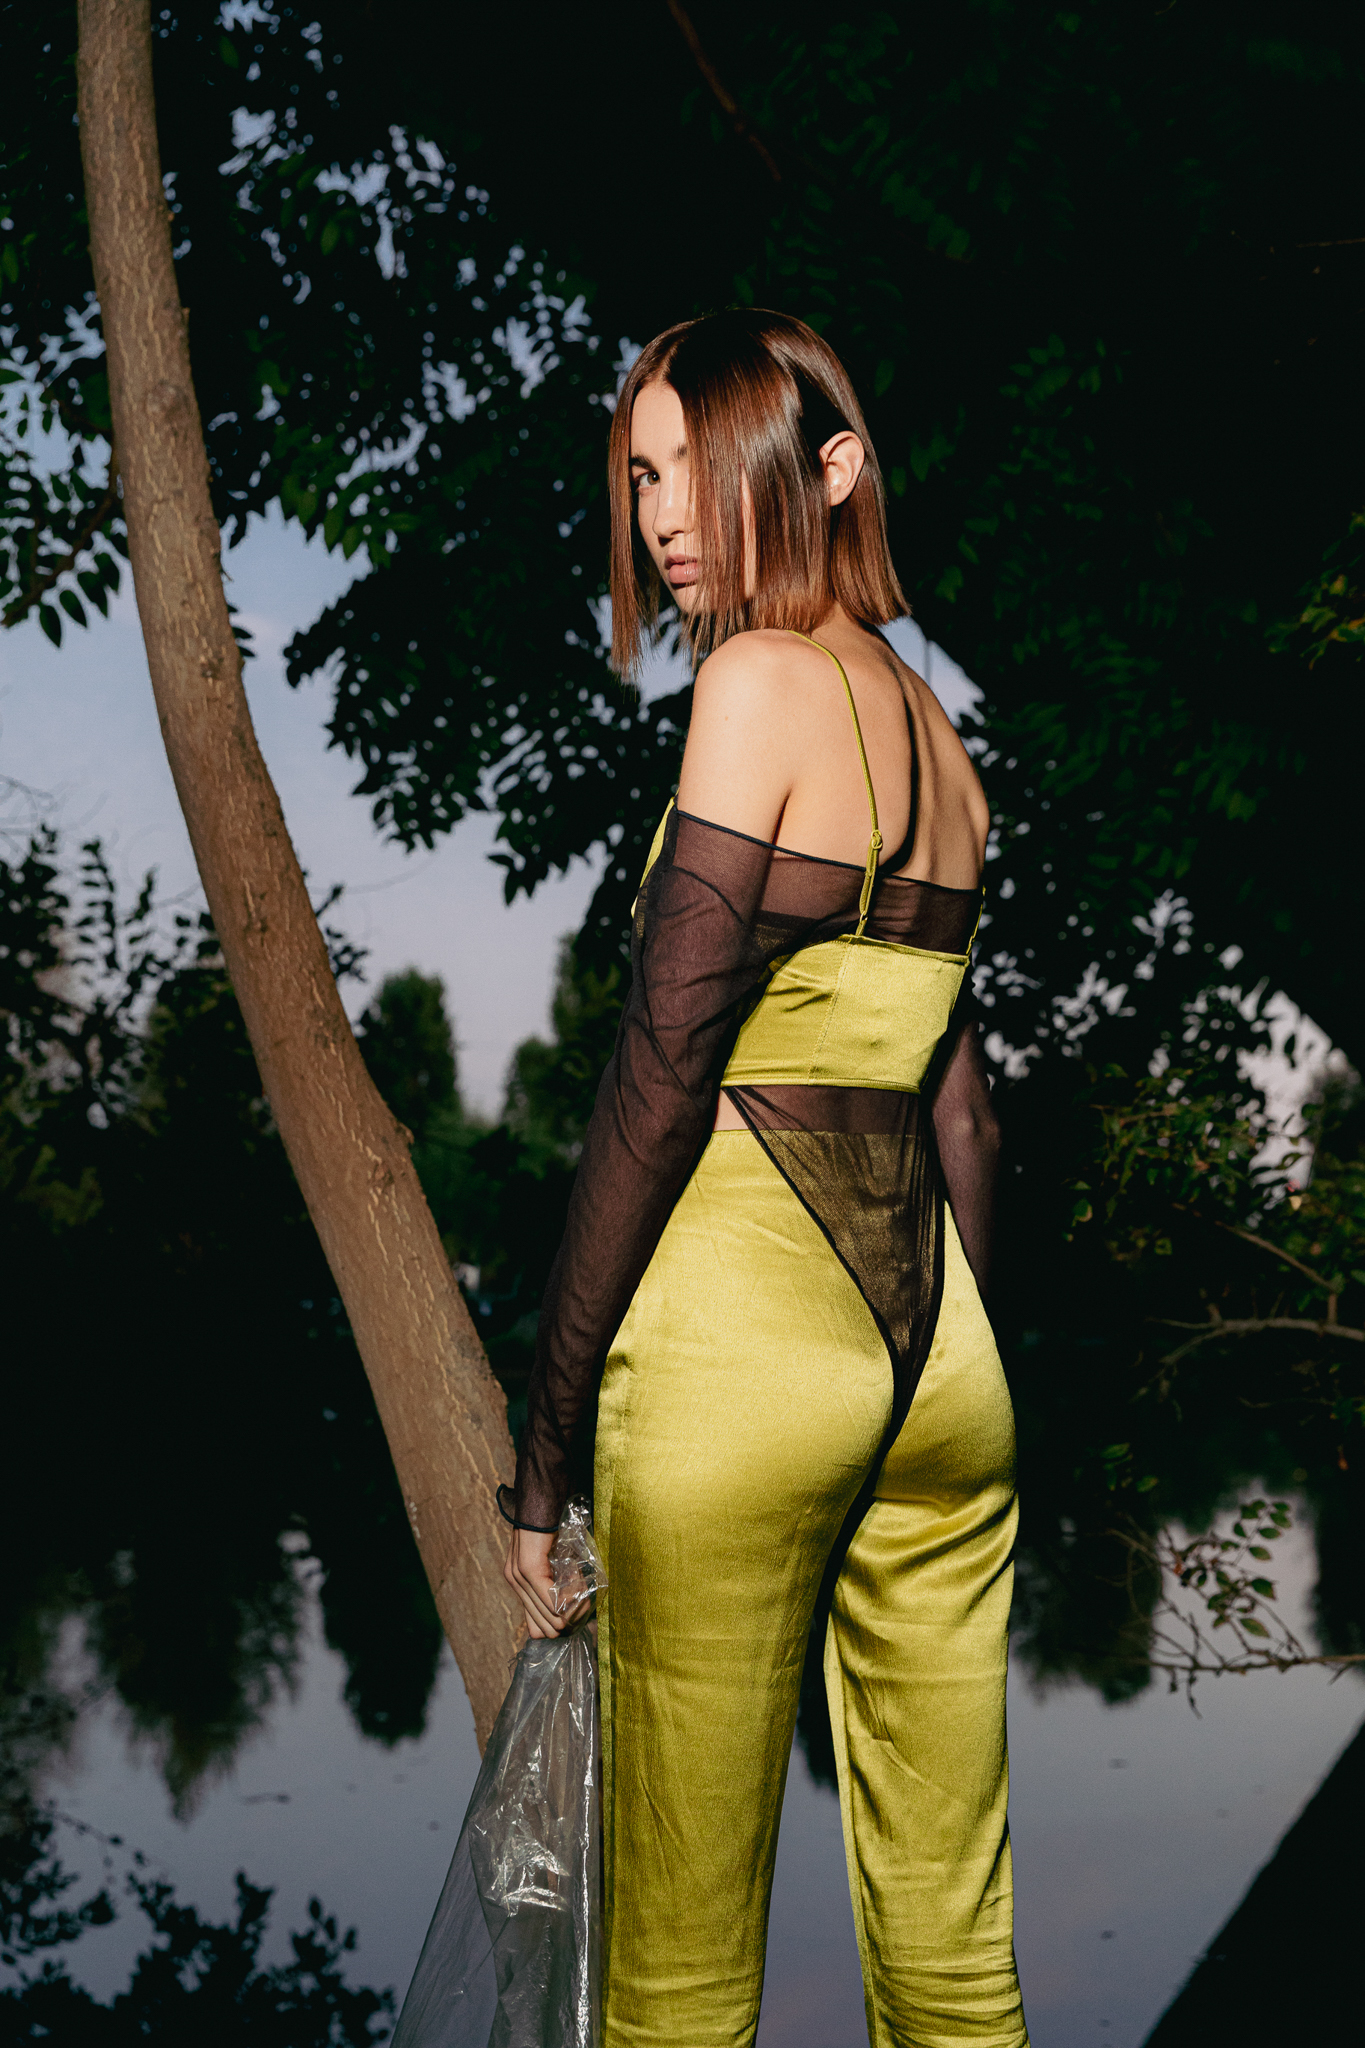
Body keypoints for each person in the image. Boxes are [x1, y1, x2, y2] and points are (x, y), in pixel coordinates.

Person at [500, 308, 1028, 2048]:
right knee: (954, 1956)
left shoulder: (755, 685)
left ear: (833, 468)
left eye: (695, 469)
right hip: (940, 1370)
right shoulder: (939, 739)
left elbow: (659, 1081)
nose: (660, 514)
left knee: (674, 1982)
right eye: (640, 475)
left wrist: (543, 1451)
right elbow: (962, 1117)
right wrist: (933, 1360)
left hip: (745, 1359)